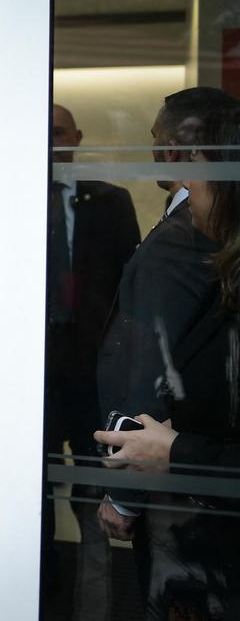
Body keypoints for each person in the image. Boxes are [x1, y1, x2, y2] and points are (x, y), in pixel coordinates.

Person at [95, 91, 240, 616]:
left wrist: (128, 487)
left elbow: (153, 365)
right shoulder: (187, 228)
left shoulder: (185, 237)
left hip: (180, 477)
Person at [42, 104, 140, 619]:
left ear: (76, 138)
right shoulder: (9, 200)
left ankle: (92, 605)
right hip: (30, 377)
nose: (51, 141)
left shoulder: (111, 202)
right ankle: (38, 597)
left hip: (91, 377)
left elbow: (131, 297)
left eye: (58, 133)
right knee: (29, 496)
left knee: (91, 493)